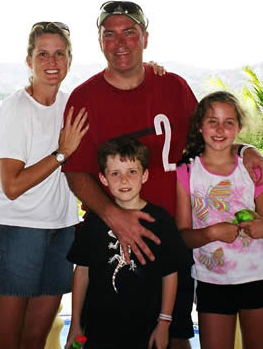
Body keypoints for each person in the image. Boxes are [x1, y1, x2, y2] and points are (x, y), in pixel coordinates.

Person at [63, 0, 263, 348]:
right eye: (109, 34)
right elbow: (75, 172)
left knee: (174, 336)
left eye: (130, 32)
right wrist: (116, 217)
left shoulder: (173, 87)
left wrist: (245, 149)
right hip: (111, 241)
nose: (120, 43)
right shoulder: (84, 97)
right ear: (100, 42)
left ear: (145, 38)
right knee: (107, 335)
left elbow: (208, 138)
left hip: (173, 239)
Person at [0, 21, 89, 349]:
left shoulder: (70, 105)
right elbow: (12, 185)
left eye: (59, 54)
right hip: (13, 232)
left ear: (69, 60)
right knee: (6, 344)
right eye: (43, 54)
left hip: (59, 231)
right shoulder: (17, 109)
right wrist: (61, 153)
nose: (52, 62)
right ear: (29, 61)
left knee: (35, 340)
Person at [175, 91, 263, 349]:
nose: (220, 129)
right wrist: (211, 233)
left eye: (228, 122)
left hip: (258, 276)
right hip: (212, 280)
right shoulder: (187, 171)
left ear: (238, 128)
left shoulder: (252, 170)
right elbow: (183, 235)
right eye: (212, 121)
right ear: (199, 126)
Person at [65, 137, 191, 349]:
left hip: (146, 330)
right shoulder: (94, 221)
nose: (124, 180)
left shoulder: (160, 220)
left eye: (132, 171)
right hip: (98, 330)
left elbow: (170, 273)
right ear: (103, 178)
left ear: (145, 175)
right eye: (115, 173)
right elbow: (82, 271)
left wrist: (164, 323)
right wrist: (75, 323)